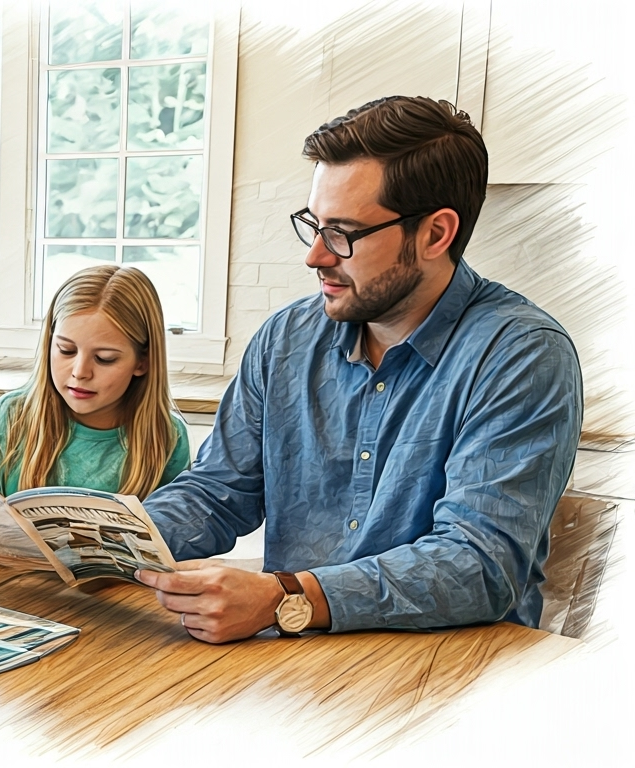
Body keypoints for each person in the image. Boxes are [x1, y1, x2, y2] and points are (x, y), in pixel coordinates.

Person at [137, 96, 582, 642]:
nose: (316, 256)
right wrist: (97, 540)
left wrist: (288, 598)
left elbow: (479, 564)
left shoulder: (521, 354)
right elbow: (217, 492)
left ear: (435, 234)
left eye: (343, 233)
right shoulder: (286, 339)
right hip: (293, 660)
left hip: (447, 675)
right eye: (314, 225)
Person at [0, 265, 191, 562]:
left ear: (143, 362)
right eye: (65, 350)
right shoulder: (13, 413)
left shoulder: (167, 435)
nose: (80, 372)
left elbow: (168, 541)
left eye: (105, 359)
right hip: (6, 585)